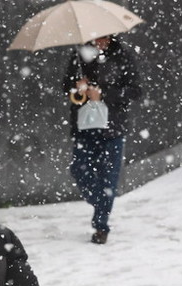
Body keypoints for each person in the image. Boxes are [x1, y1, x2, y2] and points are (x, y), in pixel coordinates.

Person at [63, 35, 141, 245]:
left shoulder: (123, 55)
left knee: (109, 177)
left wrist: (104, 94)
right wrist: (77, 86)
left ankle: (101, 225)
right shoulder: (79, 55)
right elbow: (65, 87)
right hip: (85, 127)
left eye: (105, 35)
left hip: (112, 128)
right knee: (79, 169)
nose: (101, 39)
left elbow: (135, 91)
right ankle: (101, 202)